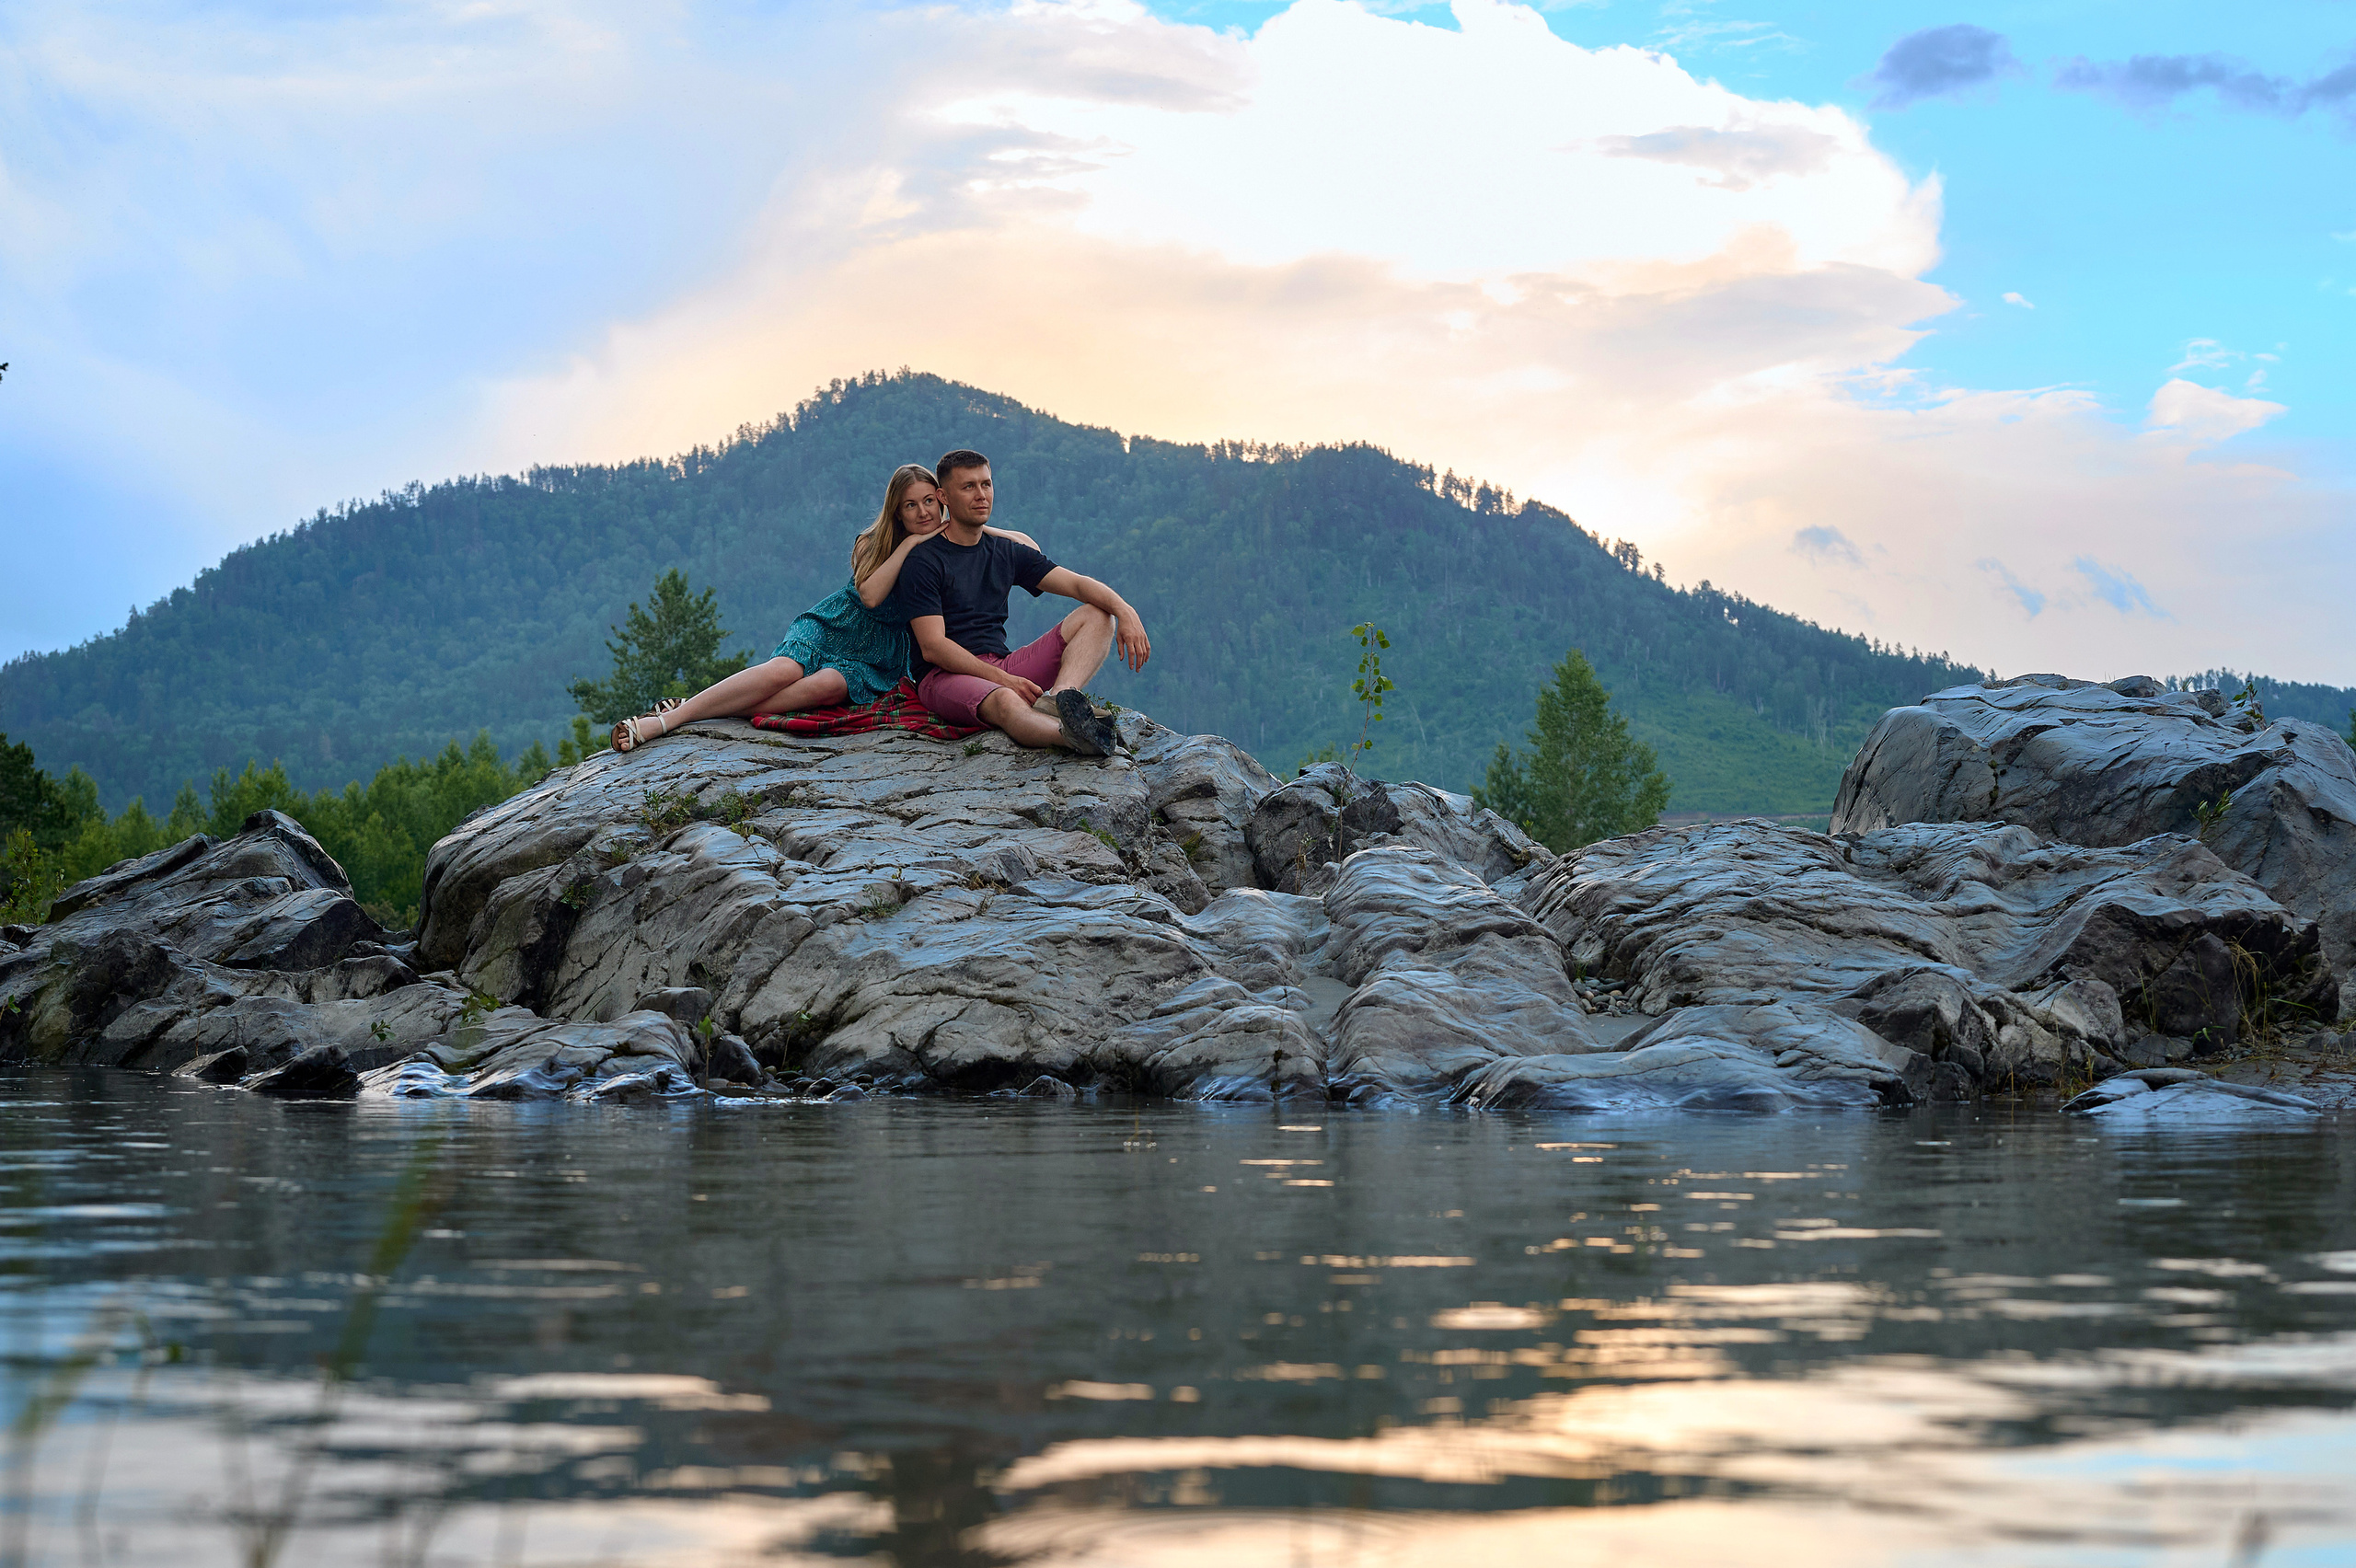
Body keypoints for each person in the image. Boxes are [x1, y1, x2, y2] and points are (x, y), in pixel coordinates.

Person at [609, 464, 1041, 751]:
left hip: (883, 651)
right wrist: (912, 543)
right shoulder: (874, 542)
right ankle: (667, 722)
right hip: (837, 626)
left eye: (930, 500)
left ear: (943, 500)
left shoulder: (950, 542)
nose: (923, 511)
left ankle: (702, 704)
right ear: (898, 511)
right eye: (911, 505)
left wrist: (971, 524)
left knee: (829, 689)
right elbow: (870, 597)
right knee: (783, 671)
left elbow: (1029, 547)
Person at [897, 448, 1149, 756]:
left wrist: (1126, 611)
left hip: (1003, 663)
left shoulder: (1005, 551)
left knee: (1099, 614)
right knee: (1007, 700)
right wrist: (1004, 680)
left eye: (986, 485)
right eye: (968, 487)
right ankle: (1075, 737)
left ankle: (1060, 699)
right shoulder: (924, 561)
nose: (981, 495)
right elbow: (933, 647)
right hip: (944, 677)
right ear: (944, 497)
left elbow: (1075, 583)